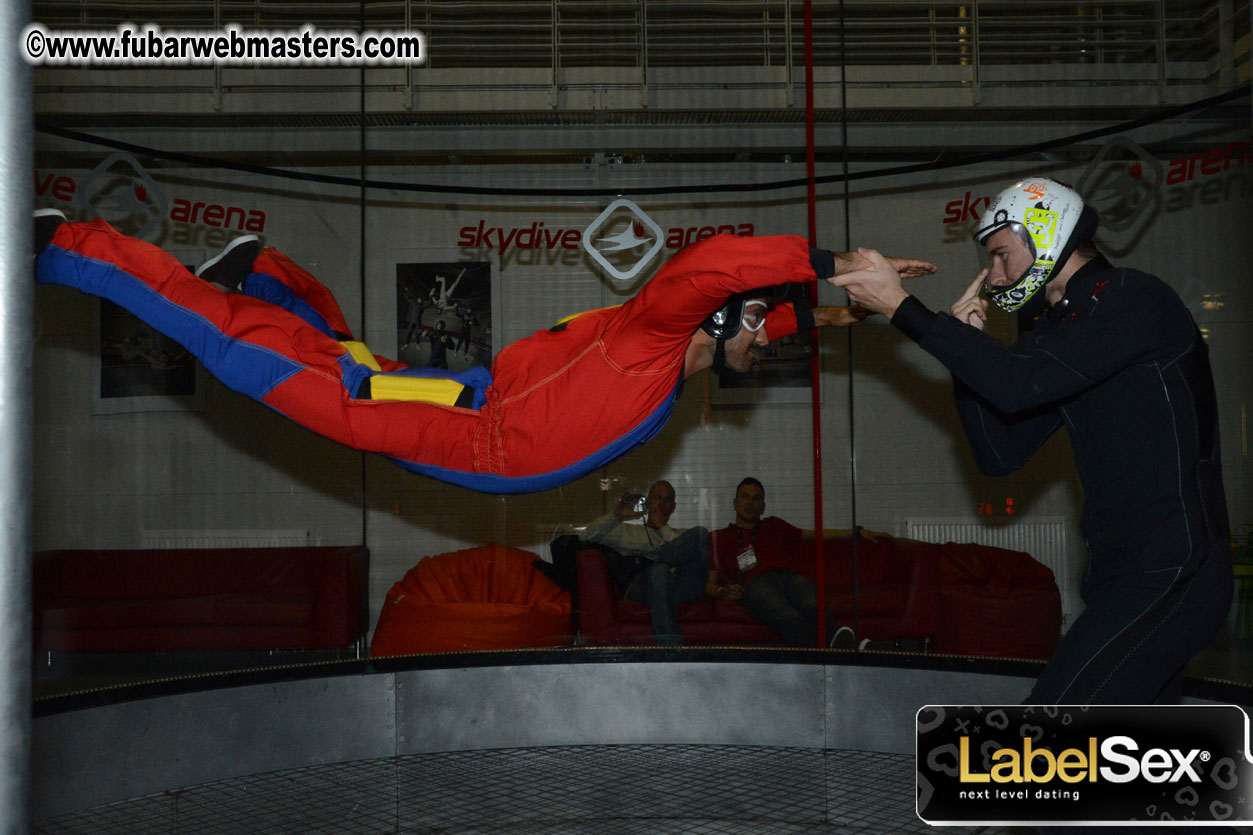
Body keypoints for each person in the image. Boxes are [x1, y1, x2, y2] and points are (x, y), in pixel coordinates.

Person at [34, 210, 934, 494]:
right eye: (751, 328)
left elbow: (756, 327)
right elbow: (707, 271)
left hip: (475, 399)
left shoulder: (683, 355)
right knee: (267, 368)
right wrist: (829, 264)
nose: (758, 345)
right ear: (721, 321)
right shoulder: (657, 333)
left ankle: (265, 274)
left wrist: (845, 313)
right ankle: (70, 249)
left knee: (359, 363)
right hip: (476, 427)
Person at [830, 176, 1232, 708]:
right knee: (1130, 763)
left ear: (1046, 236)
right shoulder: (1060, 333)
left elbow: (1021, 383)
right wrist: (966, 353)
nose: (994, 276)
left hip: (1174, 570)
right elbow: (1000, 453)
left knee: (1044, 736)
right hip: (1124, 572)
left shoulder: (1134, 300)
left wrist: (900, 306)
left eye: (1000, 255)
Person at [707, 477, 884, 648]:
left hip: (788, 577)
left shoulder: (775, 525)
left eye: (756, 498)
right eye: (744, 496)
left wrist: (855, 532)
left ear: (763, 507)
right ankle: (829, 657)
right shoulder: (718, 537)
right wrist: (722, 591)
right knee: (789, 616)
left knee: (811, 605)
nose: (750, 503)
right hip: (755, 584)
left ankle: (846, 646)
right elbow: (708, 583)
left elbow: (816, 535)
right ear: (735, 503)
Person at [582, 480, 709, 645]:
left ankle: (660, 557)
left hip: (677, 587)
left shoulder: (679, 535)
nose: (661, 504)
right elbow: (586, 537)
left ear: (673, 507)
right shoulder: (629, 532)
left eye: (667, 500)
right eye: (657, 497)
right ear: (648, 503)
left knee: (700, 534)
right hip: (642, 588)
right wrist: (616, 516)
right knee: (660, 570)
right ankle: (670, 651)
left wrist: (663, 528)